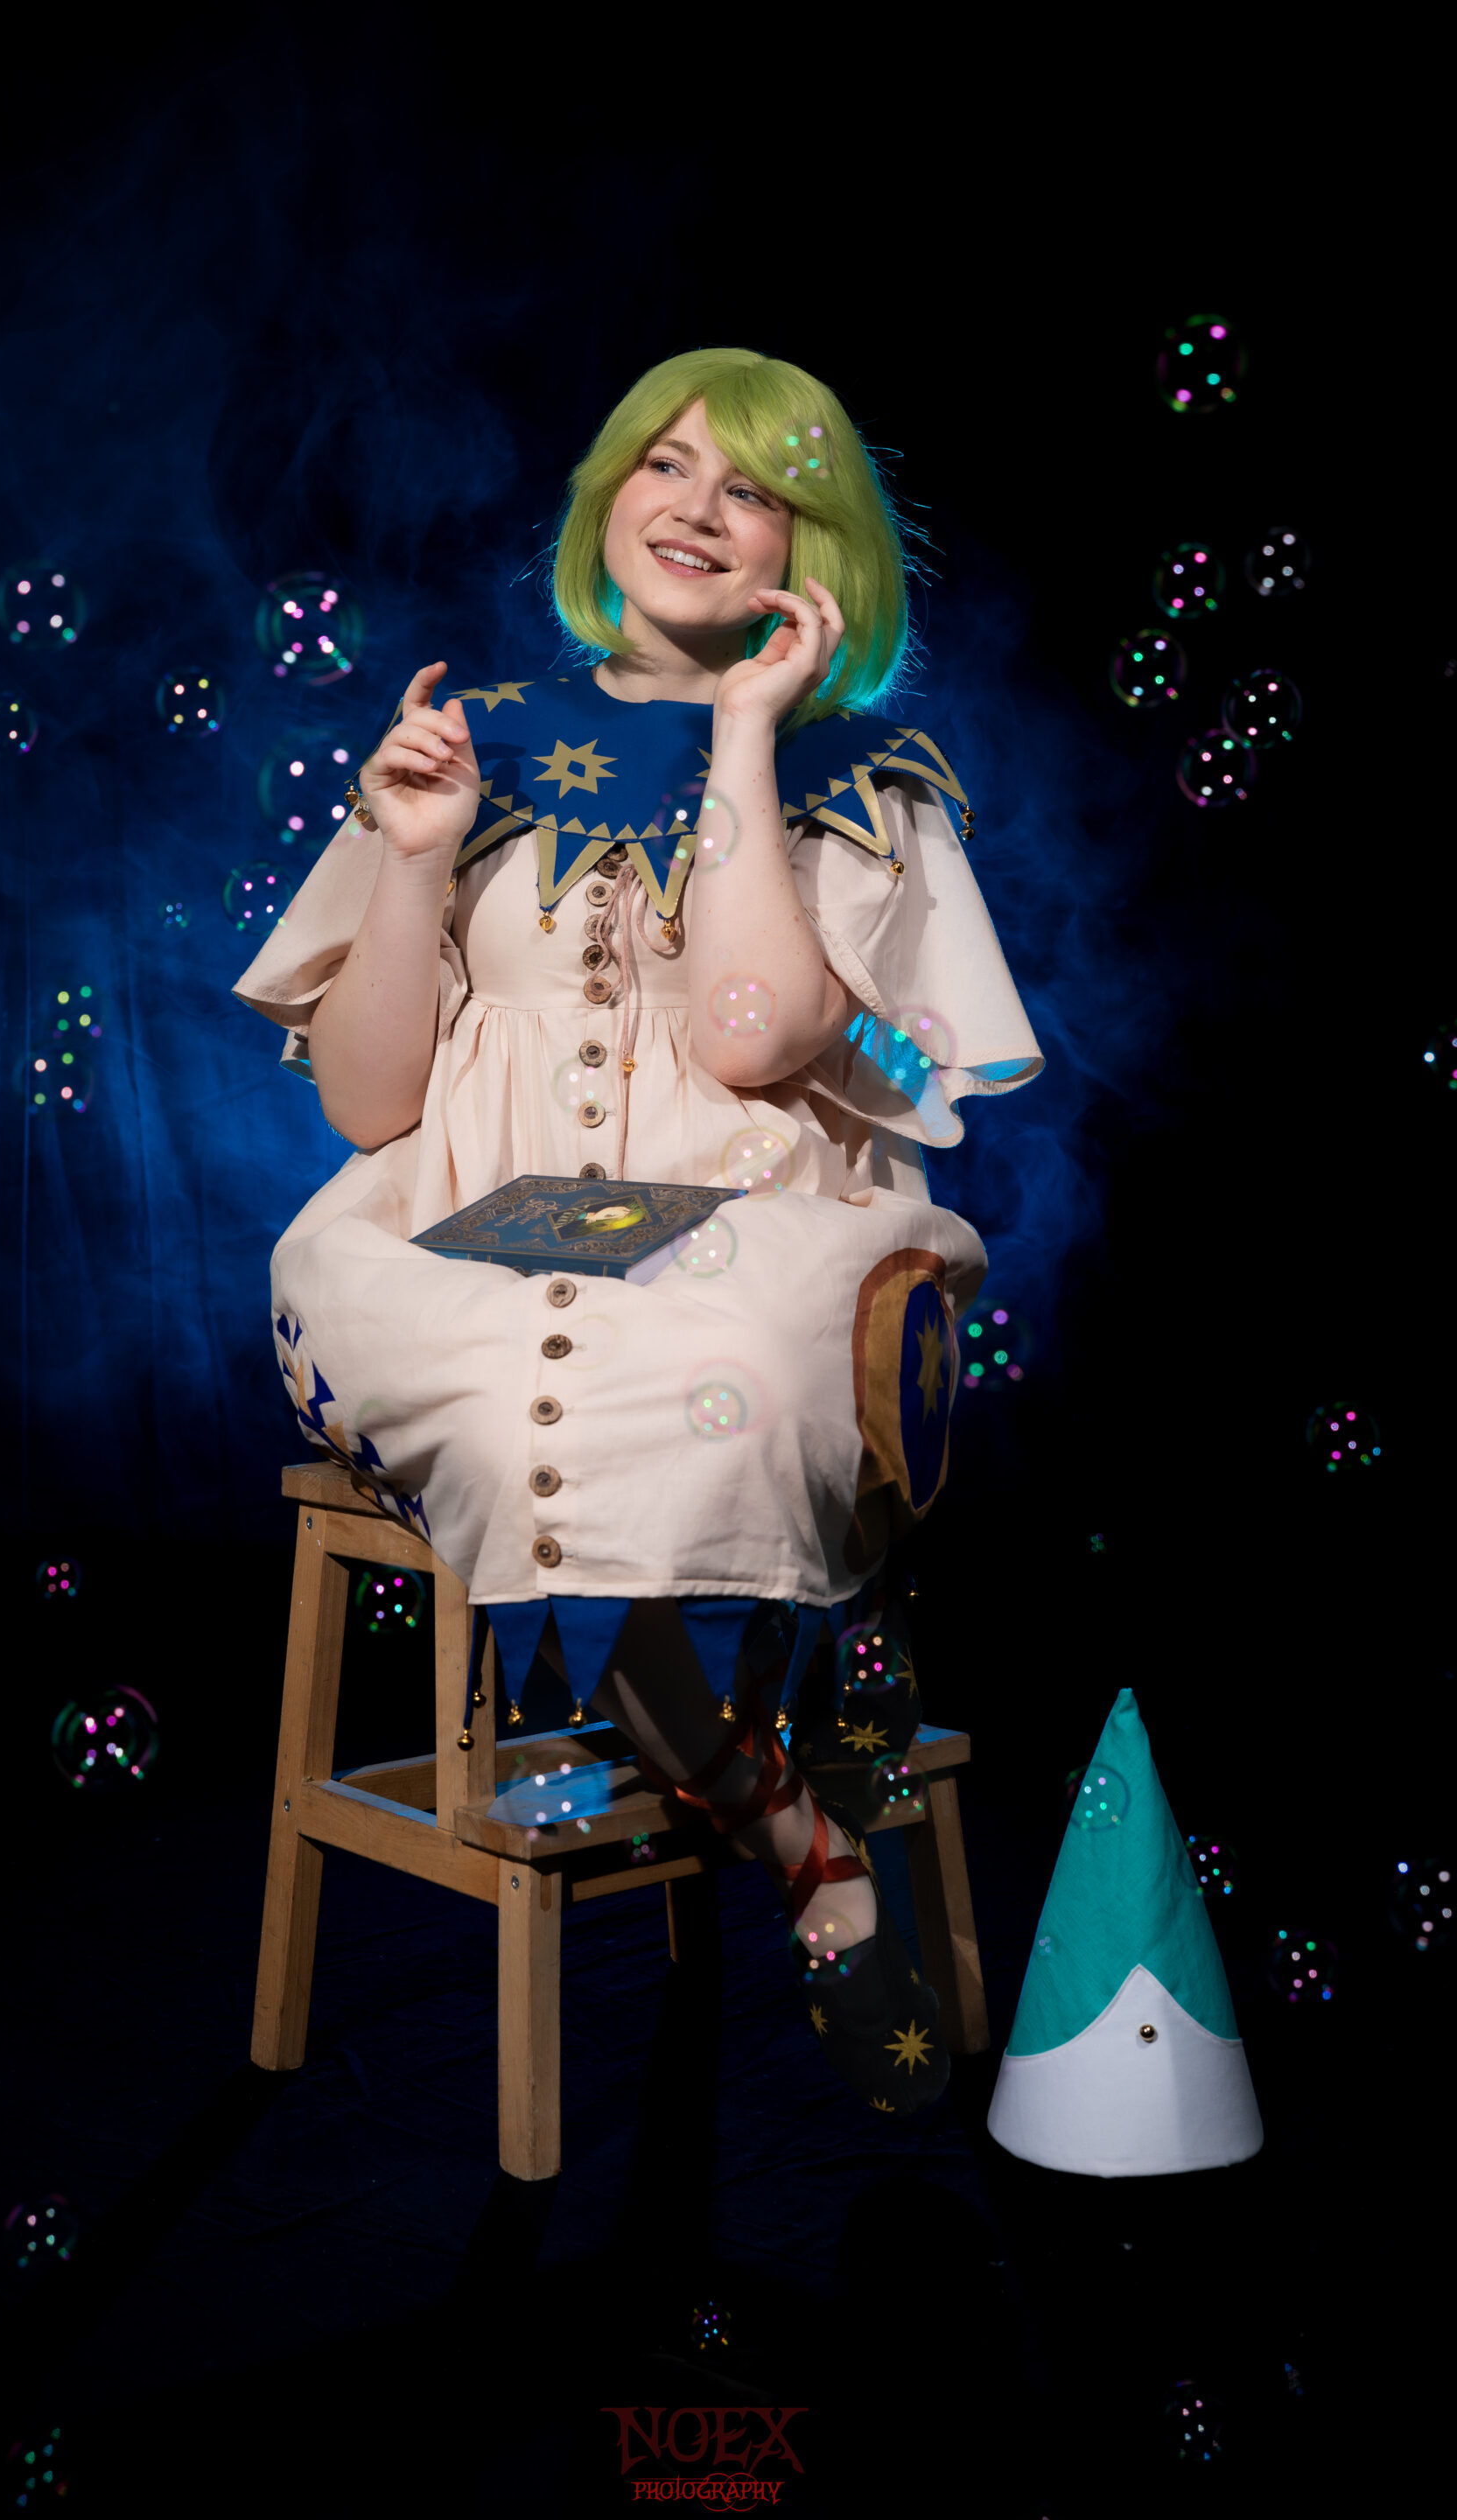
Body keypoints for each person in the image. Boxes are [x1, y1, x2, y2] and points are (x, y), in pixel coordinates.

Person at [234, 346, 1043, 2115]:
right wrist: (414, 849)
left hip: (743, 1231)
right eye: (665, 464)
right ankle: (798, 1832)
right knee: (518, 1379)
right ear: (610, 495)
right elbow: (367, 1104)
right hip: (475, 1228)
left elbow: (752, 1041)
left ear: (809, 549)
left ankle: (775, 1718)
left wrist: (745, 733)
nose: (695, 507)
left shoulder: (861, 775)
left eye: (751, 487)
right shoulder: (477, 743)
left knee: (703, 1374)